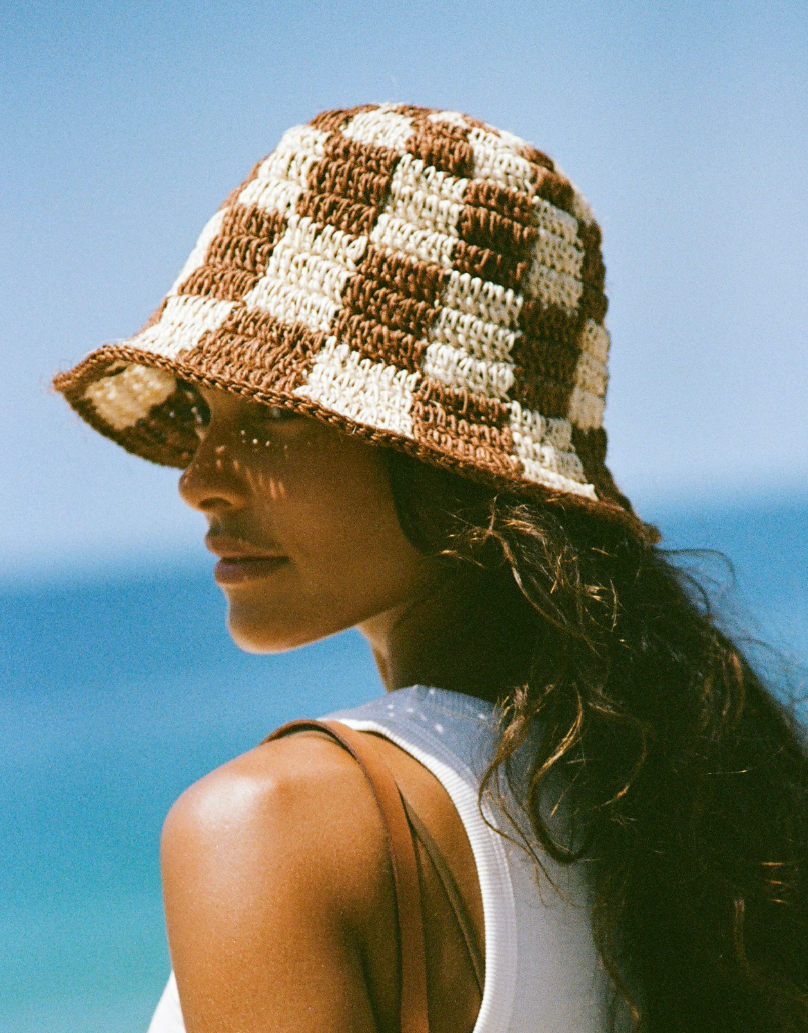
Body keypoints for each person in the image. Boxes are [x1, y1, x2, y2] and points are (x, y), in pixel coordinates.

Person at [53, 103, 808, 1033]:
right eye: (205, 416)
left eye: (274, 416)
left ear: (441, 455)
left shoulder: (271, 826)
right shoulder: (674, 801)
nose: (200, 479)